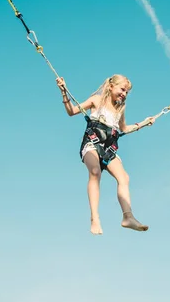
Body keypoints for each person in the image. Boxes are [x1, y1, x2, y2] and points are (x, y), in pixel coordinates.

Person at [56, 74, 156, 235]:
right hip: (91, 144)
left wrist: (144, 123)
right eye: (122, 89)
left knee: (124, 178)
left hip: (109, 148)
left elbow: (124, 128)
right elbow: (72, 111)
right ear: (111, 86)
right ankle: (95, 218)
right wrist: (63, 92)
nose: (124, 94)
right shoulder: (96, 100)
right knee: (95, 172)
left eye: (127, 92)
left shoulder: (119, 108)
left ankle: (128, 217)